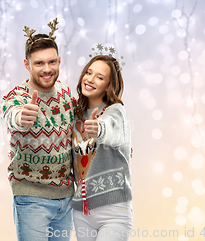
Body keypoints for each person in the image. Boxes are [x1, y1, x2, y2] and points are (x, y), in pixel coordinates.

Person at [0, 18, 77, 241]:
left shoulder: (65, 93)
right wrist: (20, 117)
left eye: (52, 62)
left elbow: (79, 128)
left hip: (66, 198)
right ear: (27, 65)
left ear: (59, 61)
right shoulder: (17, 97)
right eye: (39, 63)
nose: (47, 69)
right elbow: (11, 115)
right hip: (31, 198)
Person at [71, 51, 133, 241]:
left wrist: (99, 128)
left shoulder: (116, 112)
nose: (90, 79)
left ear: (108, 86)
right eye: (88, 73)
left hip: (113, 210)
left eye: (99, 77)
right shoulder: (75, 115)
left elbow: (113, 130)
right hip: (82, 211)